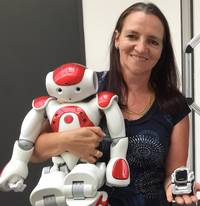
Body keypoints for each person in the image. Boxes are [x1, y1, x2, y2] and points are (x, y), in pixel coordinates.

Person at [31, 2, 200, 206]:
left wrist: (174, 187)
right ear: (117, 38)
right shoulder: (83, 90)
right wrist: (68, 140)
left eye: (153, 41)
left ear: (162, 50)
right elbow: (32, 151)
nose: (141, 47)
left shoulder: (174, 104)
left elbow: (172, 173)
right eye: (132, 36)